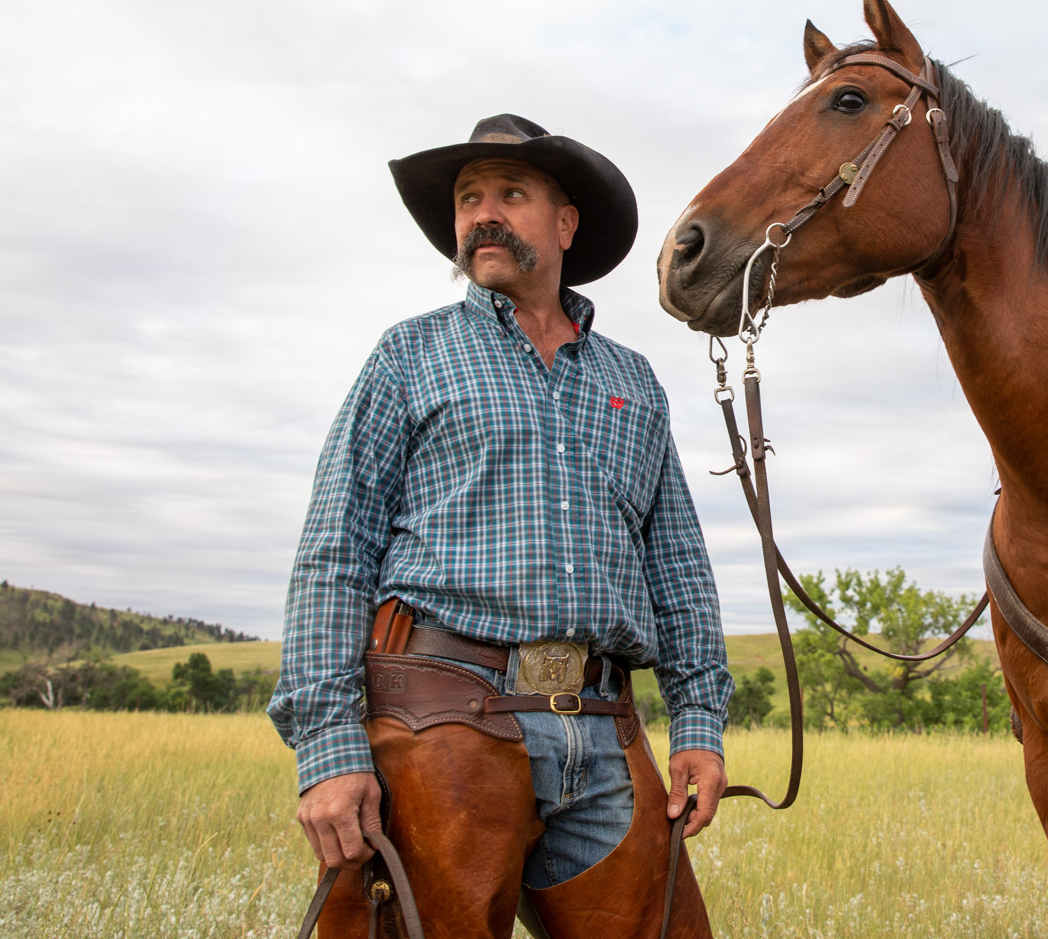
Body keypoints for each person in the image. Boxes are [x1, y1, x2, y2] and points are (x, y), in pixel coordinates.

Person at [269, 114, 730, 938]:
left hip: (602, 723)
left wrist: (698, 723)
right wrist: (329, 749)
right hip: (441, 718)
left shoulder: (633, 381)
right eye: (468, 198)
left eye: (511, 194)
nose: (483, 214)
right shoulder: (409, 355)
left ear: (566, 223)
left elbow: (679, 567)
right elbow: (335, 553)